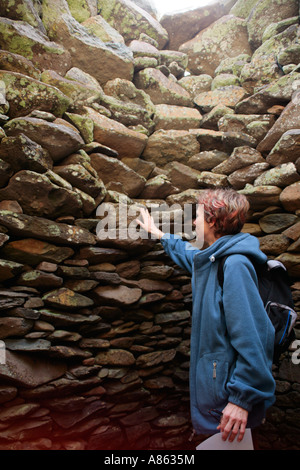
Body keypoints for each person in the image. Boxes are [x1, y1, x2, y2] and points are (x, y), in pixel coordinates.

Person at [136, 188, 276, 444]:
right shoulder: (212, 260)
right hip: (220, 397)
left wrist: (242, 399)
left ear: (212, 221)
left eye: (197, 216)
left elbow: (254, 337)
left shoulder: (235, 265)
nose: (193, 222)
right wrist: (158, 234)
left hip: (230, 403)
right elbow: (192, 257)